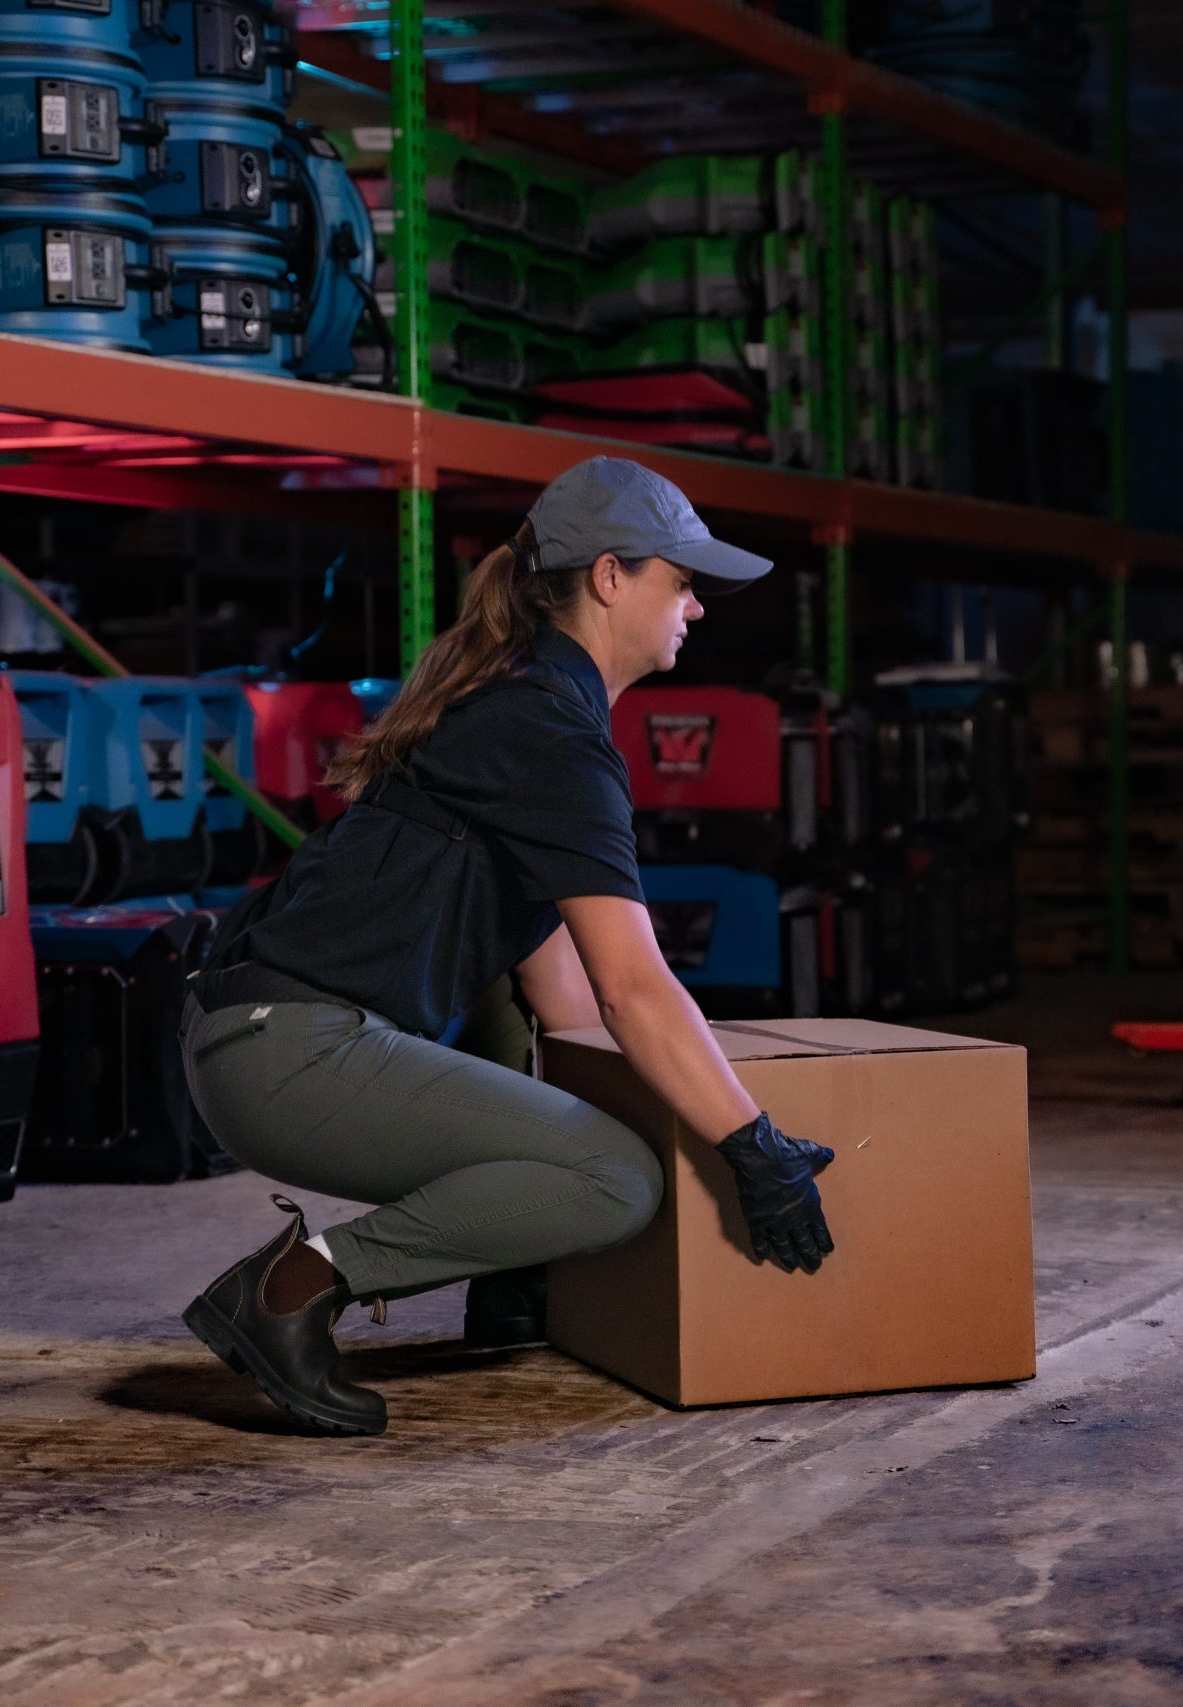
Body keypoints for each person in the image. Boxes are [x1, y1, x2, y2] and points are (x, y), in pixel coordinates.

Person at [178, 456, 839, 1437]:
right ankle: (290, 1287)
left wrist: (669, 1109)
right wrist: (751, 1147)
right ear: (611, 577)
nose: (695, 608)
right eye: (682, 581)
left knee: (530, 1049)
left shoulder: (527, 698)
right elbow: (633, 990)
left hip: (260, 1037)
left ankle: (513, 1287)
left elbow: (562, 991)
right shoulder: (548, 729)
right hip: (289, 1051)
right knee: (612, 1179)